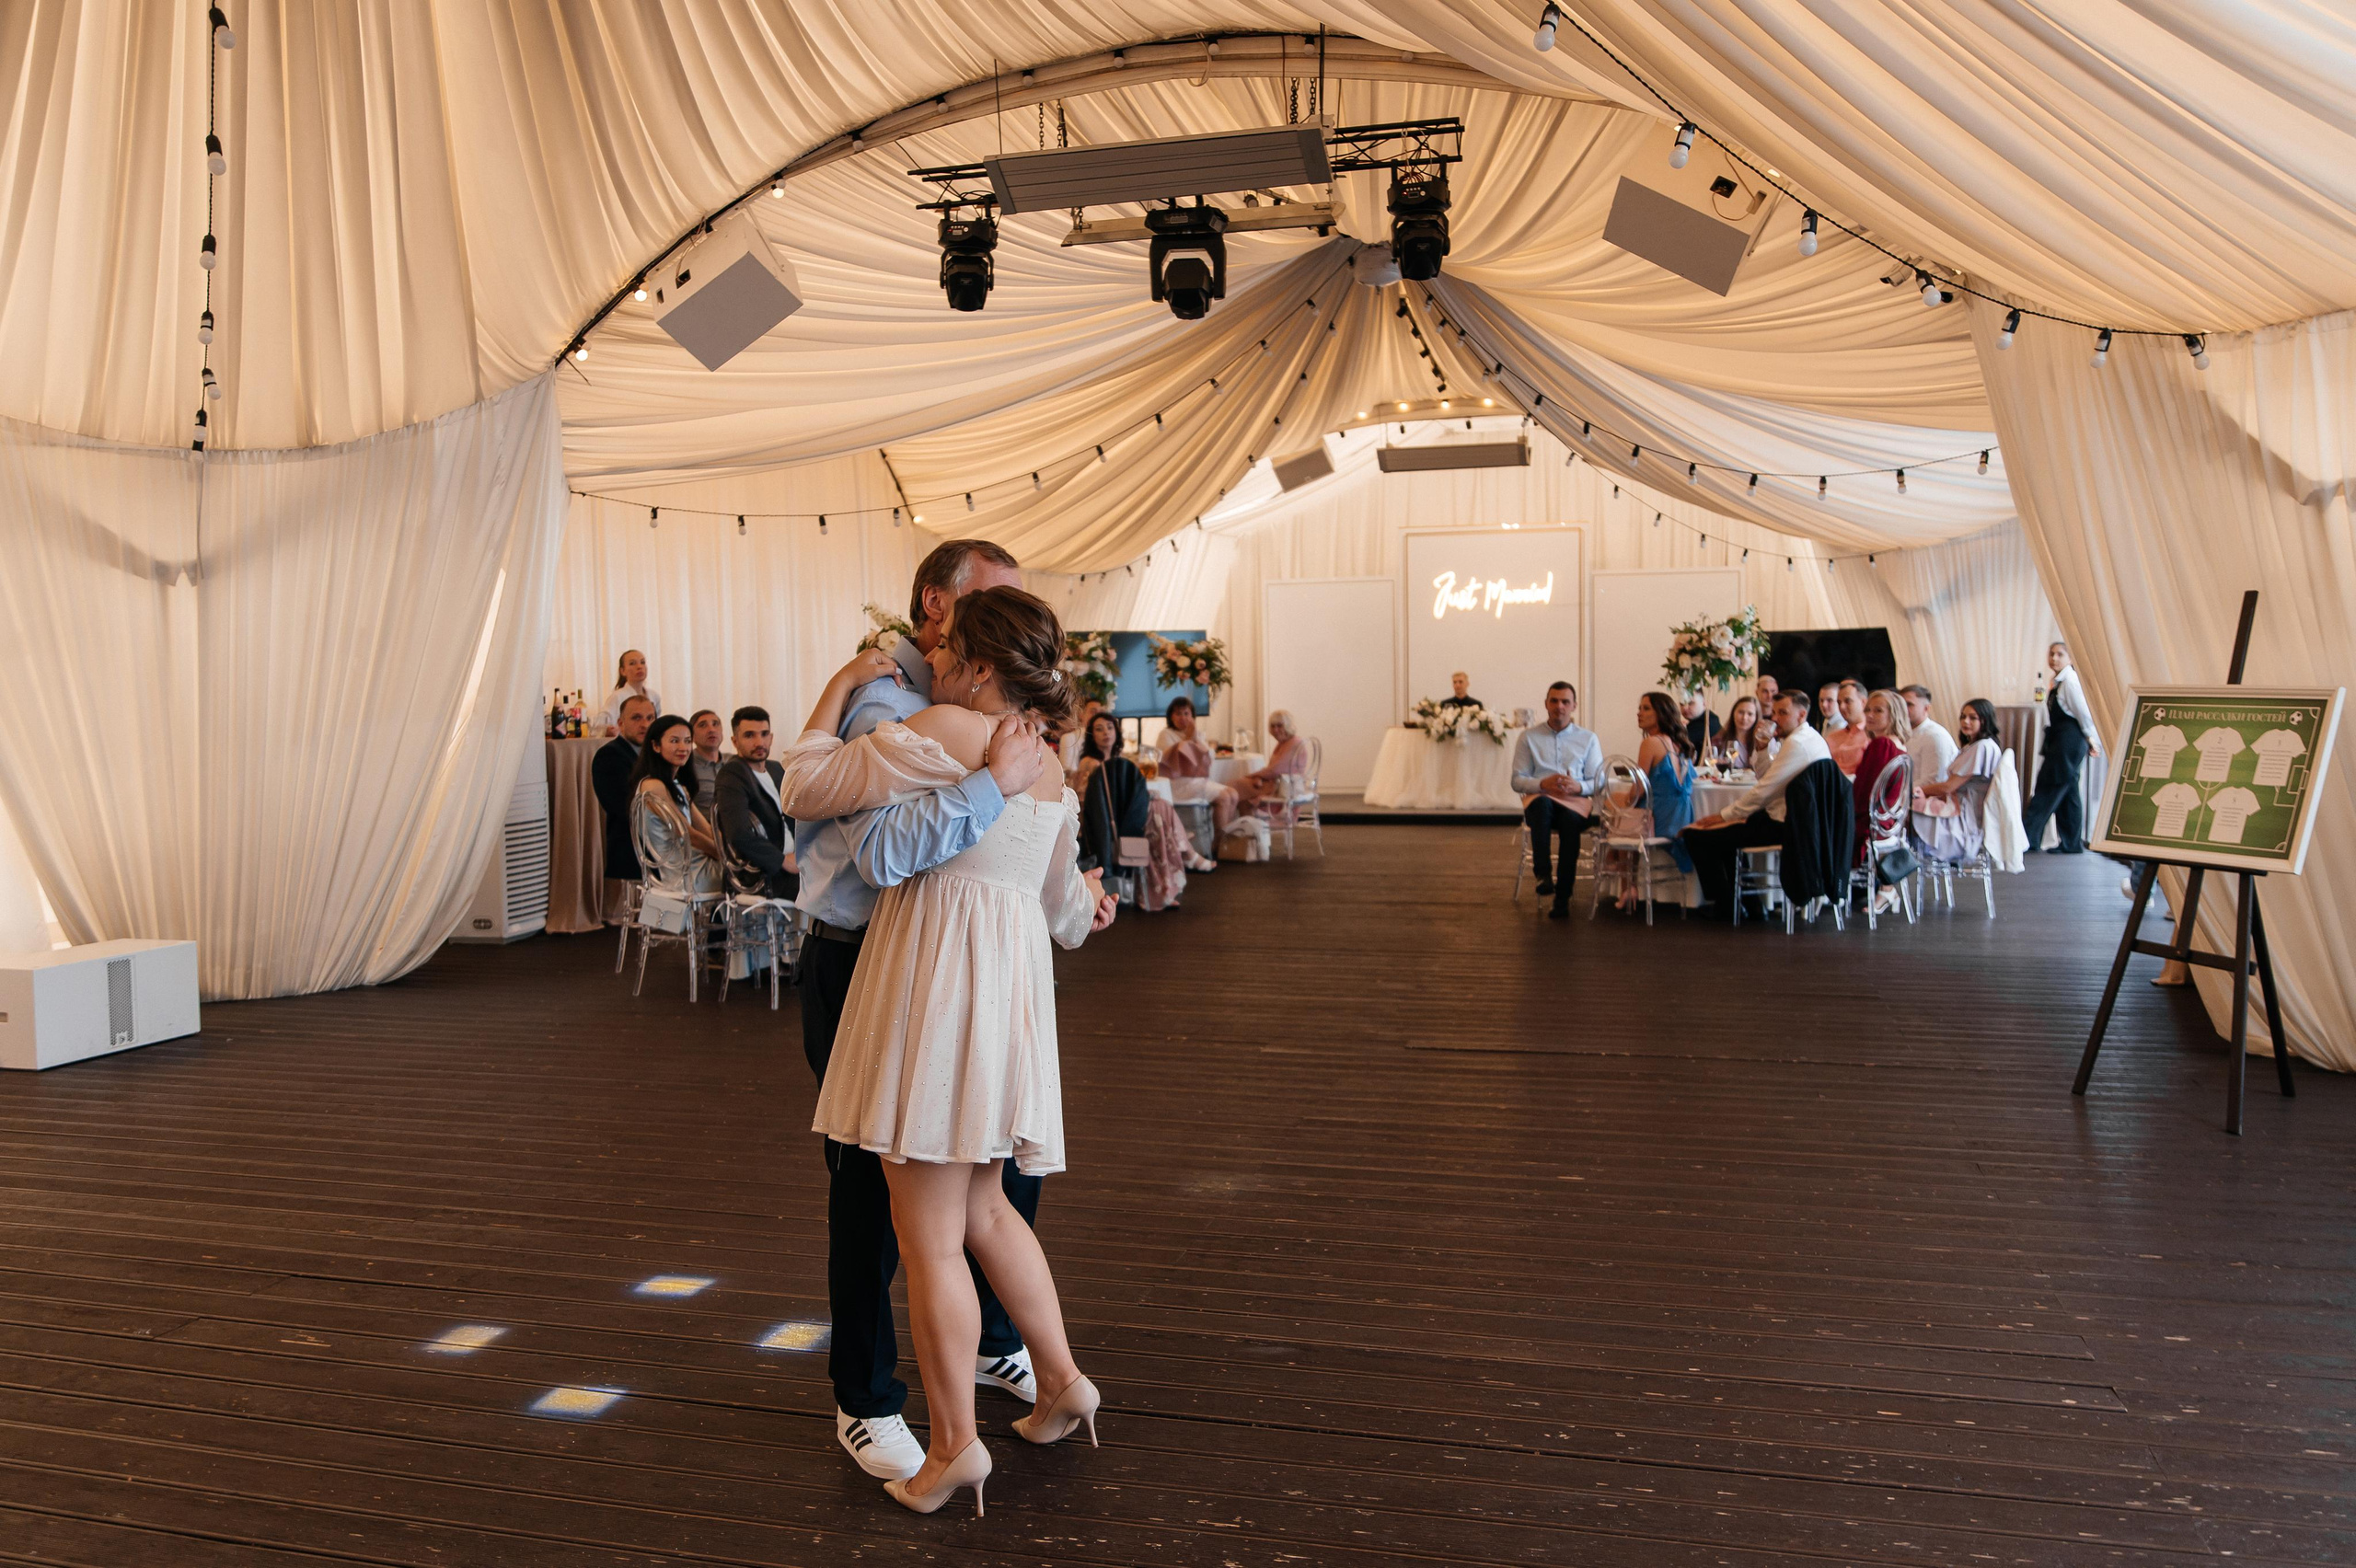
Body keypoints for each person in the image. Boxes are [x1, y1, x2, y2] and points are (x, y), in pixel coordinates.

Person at [786, 585, 1117, 1517]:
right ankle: (1059, 1386)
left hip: (930, 996)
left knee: (926, 1236)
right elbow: (1063, 915)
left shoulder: (939, 726)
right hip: (1007, 1005)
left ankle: (954, 1450)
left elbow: (803, 786)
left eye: (943, 650)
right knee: (988, 1214)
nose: (927, 659)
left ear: (975, 664)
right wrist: (1090, 899)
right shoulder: (1051, 769)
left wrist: (846, 681)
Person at [1680, 691, 1831, 912]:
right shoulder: (1808, 737)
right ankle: (1748, 904)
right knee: (1722, 834)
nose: (1776, 719)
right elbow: (1768, 778)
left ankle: (1726, 905)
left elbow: (1763, 791)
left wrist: (1722, 815)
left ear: (1801, 715)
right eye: (1775, 713)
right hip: (1796, 820)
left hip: (1789, 826)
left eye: (1783, 713)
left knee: (1698, 835)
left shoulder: (1797, 744)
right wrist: (1761, 749)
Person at [1510, 681, 1605, 920]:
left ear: (1574, 706)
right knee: (1542, 804)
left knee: (1570, 825)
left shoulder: (1588, 738)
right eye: (1554, 701)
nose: (1559, 706)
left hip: (1574, 802)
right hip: (1541, 800)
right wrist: (1543, 784)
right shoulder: (1528, 737)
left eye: (1565, 702)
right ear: (1546, 704)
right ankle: (1543, 874)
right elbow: (1517, 780)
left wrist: (1579, 786)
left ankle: (1562, 896)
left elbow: (1599, 781)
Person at [1614, 692, 1695, 909]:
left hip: (1662, 820)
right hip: (1682, 816)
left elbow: (1638, 791)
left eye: (1646, 708)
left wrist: (1626, 800)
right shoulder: (1680, 744)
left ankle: (1625, 883)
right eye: (1640, 708)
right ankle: (1619, 872)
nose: (1639, 713)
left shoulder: (1651, 743)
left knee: (1618, 807)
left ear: (1661, 713)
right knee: (1622, 812)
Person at [629, 713, 725, 894]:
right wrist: (727, 857)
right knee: (759, 875)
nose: (683, 747)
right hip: (686, 874)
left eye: (688, 741)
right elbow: (689, 835)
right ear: (656, 746)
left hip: (697, 865)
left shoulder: (678, 786)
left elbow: (708, 830)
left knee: (758, 867)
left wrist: (732, 850)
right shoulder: (653, 786)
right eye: (675, 741)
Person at [2023, 640, 2101, 853]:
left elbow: (2084, 715)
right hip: (2063, 741)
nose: (2054, 658)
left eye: (2059, 654)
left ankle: (2029, 838)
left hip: (2069, 743)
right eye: (2052, 654)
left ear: (2070, 658)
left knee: (2048, 787)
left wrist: (2092, 740)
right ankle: (2071, 843)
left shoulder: (2070, 682)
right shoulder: (2059, 682)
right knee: (2069, 793)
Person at [715, 706, 797, 900]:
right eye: (749, 735)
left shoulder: (776, 769)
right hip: (761, 874)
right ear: (735, 741)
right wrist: (783, 861)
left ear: (771, 738)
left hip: (793, 866)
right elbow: (738, 833)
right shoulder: (732, 774)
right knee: (829, 891)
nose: (759, 742)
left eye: (764, 734)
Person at [1915, 698, 2004, 864]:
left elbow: (1949, 786)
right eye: (1963, 717)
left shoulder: (1983, 747)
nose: (1966, 722)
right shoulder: (1974, 746)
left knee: (1911, 808)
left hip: (1964, 814)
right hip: (1959, 804)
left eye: (1972, 718)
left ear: (1985, 720)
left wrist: (1918, 790)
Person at [1072, 712, 1152, 894]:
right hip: (1099, 819)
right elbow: (1087, 800)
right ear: (1092, 736)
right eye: (1099, 729)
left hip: (1119, 815)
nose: (1106, 733)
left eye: (1109, 728)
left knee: (1161, 808)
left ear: (1116, 731)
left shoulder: (1120, 760)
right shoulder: (1089, 763)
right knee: (1157, 813)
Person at [1854, 691, 1912, 913]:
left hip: (1871, 820)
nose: (1869, 715)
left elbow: (1864, 793)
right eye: (1868, 709)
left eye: (1878, 710)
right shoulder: (1899, 745)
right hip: (1888, 821)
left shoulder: (1882, 745)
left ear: (1894, 714)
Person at [591, 695, 655, 892]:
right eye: (636, 718)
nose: (644, 724)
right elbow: (622, 806)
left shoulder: (656, 753)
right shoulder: (609, 755)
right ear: (620, 723)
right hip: (634, 845)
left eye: (650, 718)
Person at [1155, 697, 1239, 837]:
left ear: (1192, 716)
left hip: (1196, 781)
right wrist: (1188, 738)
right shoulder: (1165, 734)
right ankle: (1218, 842)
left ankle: (1224, 840)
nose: (1183, 718)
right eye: (1178, 714)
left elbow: (1210, 756)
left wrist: (1194, 737)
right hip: (1179, 783)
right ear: (1171, 716)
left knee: (1234, 794)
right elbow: (1178, 758)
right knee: (1224, 797)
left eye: (1186, 713)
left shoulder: (1197, 734)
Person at [1232, 709, 1309, 810]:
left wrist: (1253, 776)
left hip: (1284, 788)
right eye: (1272, 726)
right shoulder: (1284, 743)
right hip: (1277, 784)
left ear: (1288, 726)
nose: (1275, 730)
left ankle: (1222, 824)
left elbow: (1275, 770)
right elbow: (1272, 769)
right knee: (1238, 791)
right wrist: (1258, 778)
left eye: (1279, 726)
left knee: (1235, 786)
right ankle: (1247, 823)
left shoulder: (1294, 743)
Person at [1900, 684, 1958, 788]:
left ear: (1926, 708)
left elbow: (1935, 780)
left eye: (1909, 704)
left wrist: (1898, 792)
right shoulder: (1905, 734)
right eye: (1901, 705)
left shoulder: (1935, 735)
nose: (1903, 709)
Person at [597, 649, 663, 735]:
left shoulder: (654, 696)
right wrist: (608, 730)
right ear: (623, 671)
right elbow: (601, 724)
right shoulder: (618, 696)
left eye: (642, 662)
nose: (639, 667)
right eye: (632, 663)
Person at [681, 709, 726, 819]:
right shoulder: (685, 766)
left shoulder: (734, 762)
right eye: (702, 725)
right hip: (705, 831)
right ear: (692, 736)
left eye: (715, 724)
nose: (711, 730)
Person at [1827, 680, 1872, 776]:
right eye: (1839, 703)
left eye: (1848, 701)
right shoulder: (1831, 737)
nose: (1842, 707)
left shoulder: (1871, 736)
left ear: (1863, 702)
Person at [1715, 695, 1761, 767]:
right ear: (1733, 713)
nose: (1744, 718)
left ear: (1756, 717)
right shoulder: (1719, 739)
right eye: (1741, 712)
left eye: (1750, 714)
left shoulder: (1761, 743)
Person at [1680, 691, 1720, 758]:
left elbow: (1676, 741)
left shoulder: (1709, 722)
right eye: (1681, 704)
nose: (1685, 708)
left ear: (1704, 703)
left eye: (1691, 703)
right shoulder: (1692, 722)